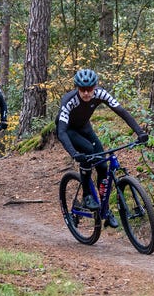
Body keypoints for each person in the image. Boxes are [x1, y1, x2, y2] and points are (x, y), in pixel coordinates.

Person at [56, 68, 148, 228]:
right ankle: (86, 196)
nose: (86, 93)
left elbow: (122, 112)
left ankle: (104, 209)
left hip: (85, 128)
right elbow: (61, 132)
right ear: (77, 88)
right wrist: (74, 153)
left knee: (103, 166)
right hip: (69, 130)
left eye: (89, 89)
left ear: (95, 87)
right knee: (88, 152)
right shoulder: (69, 100)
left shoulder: (101, 93)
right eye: (82, 90)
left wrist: (140, 132)